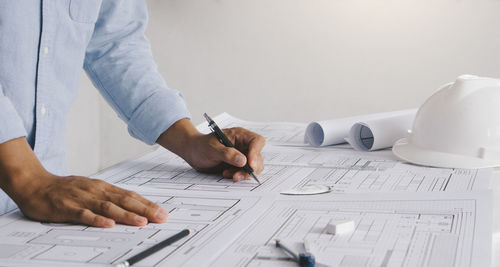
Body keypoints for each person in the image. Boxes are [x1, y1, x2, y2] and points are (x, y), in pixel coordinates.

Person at [0, 1, 265, 228]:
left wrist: (188, 141)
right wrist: (28, 178)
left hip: (48, 207)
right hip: (35, 187)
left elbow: (115, 44)